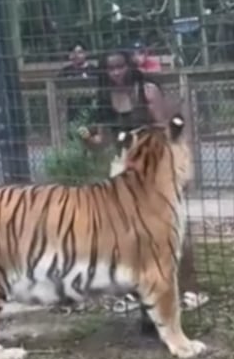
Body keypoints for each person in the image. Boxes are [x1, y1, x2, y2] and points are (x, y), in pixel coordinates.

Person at [78, 49, 207, 334]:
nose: (116, 73)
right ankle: (138, 288)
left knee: (168, 225)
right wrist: (88, 139)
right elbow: (102, 140)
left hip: (154, 159)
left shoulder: (146, 91)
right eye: (110, 69)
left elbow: (166, 128)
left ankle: (190, 287)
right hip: (123, 164)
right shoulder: (103, 99)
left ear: (129, 66)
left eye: (120, 66)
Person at [58, 41, 96, 125]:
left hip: (90, 109)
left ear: (85, 54)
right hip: (71, 111)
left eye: (79, 52)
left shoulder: (93, 70)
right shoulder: (65, 71)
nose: (76, 56)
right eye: (73, 53)